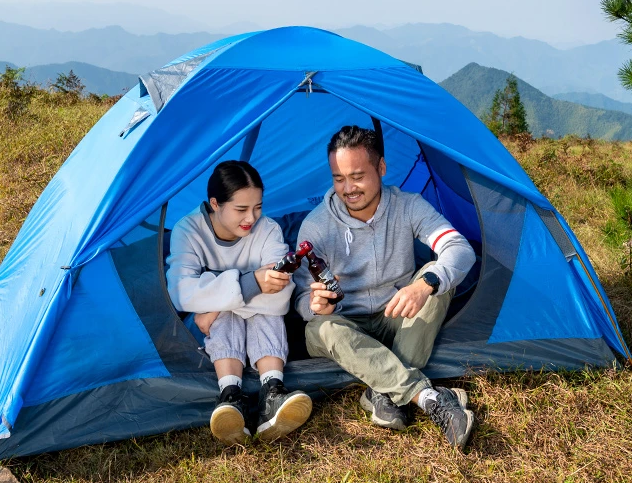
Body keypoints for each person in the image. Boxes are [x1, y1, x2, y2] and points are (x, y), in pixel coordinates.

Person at [293, 126, 477, 448]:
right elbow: (297, 295)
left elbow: (460, 249)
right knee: (320, 330)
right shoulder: (316, 226)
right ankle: (429, 398)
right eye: (338, 178)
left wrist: (424, 285)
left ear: (381, 168)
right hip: (348, 325)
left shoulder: (408, 206)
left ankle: (381, 391)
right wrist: (312, 306)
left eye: (357, 176)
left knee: (436, 277)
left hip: (396, 315)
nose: (347, 189)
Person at [167, 160, 312, 445]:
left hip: (245, 317)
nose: (251, 218)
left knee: (256, 312)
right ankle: (231, 396)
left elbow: (282, 294)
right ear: (215, 204)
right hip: (210, 331)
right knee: (229, 317)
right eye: (241, 209)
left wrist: (218, 300)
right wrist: (253, 283)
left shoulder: (268, 229)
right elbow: (180, 293)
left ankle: (273, 391)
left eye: (258, 207)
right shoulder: (188, 231)